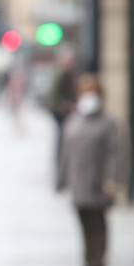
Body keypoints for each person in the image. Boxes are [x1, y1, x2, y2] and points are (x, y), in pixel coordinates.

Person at [57, 74, 124, 266]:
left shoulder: (108, 123)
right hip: (79, 183)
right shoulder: (74, 121)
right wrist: (61, 180)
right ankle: (88, 262)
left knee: (98, 223)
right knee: (84, 223)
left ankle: (97, 263)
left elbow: (116, 153)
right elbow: (65, 153)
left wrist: (111, 180)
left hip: (98, 182)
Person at [46, 48, 78, 178]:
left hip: (60, 112)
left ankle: (62, 170)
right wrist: (67, 106)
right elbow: (55, 96)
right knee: (63, 140)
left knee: (63, 140)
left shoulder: (64, 73)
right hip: (61, 113)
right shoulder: (62, 74)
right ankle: (62, 170)